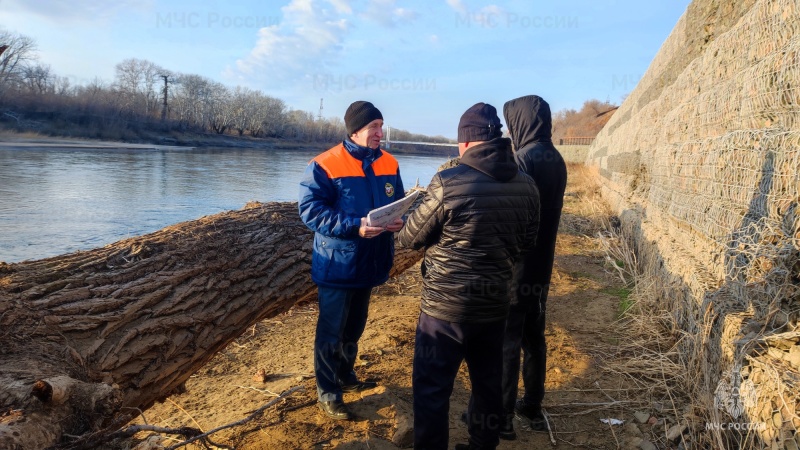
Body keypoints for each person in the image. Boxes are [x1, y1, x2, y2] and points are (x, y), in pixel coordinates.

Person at [397, 102, 540, 450]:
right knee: (488, 384)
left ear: (466, 142)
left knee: (432, 389)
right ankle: (481, 445)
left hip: (444, 311)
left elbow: (410, 238)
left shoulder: (448, 182)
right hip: (494, 308)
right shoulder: (528, 185)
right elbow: (526, 244)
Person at [298, 100, 405, 420]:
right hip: (338, 263)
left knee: (355, 327)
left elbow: (397, 202)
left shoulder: (390, 162)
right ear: (355, 131)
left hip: (372, 261)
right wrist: (355, 226)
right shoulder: (325, 164)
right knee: (331, 330)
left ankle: (346, 376)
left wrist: (399, 219)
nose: (380, 133)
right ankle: (328, 391)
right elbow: (310, 211)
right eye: (374, 127)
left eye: (381, 126)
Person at [500, 94, 568, 437]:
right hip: (542, 267)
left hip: (517, 269)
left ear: (521, 122)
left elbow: (512, 216)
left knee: (507, 344)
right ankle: (532, 406)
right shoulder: (556, 159)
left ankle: (502, 419)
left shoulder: (522, 159)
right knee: (534, 340)